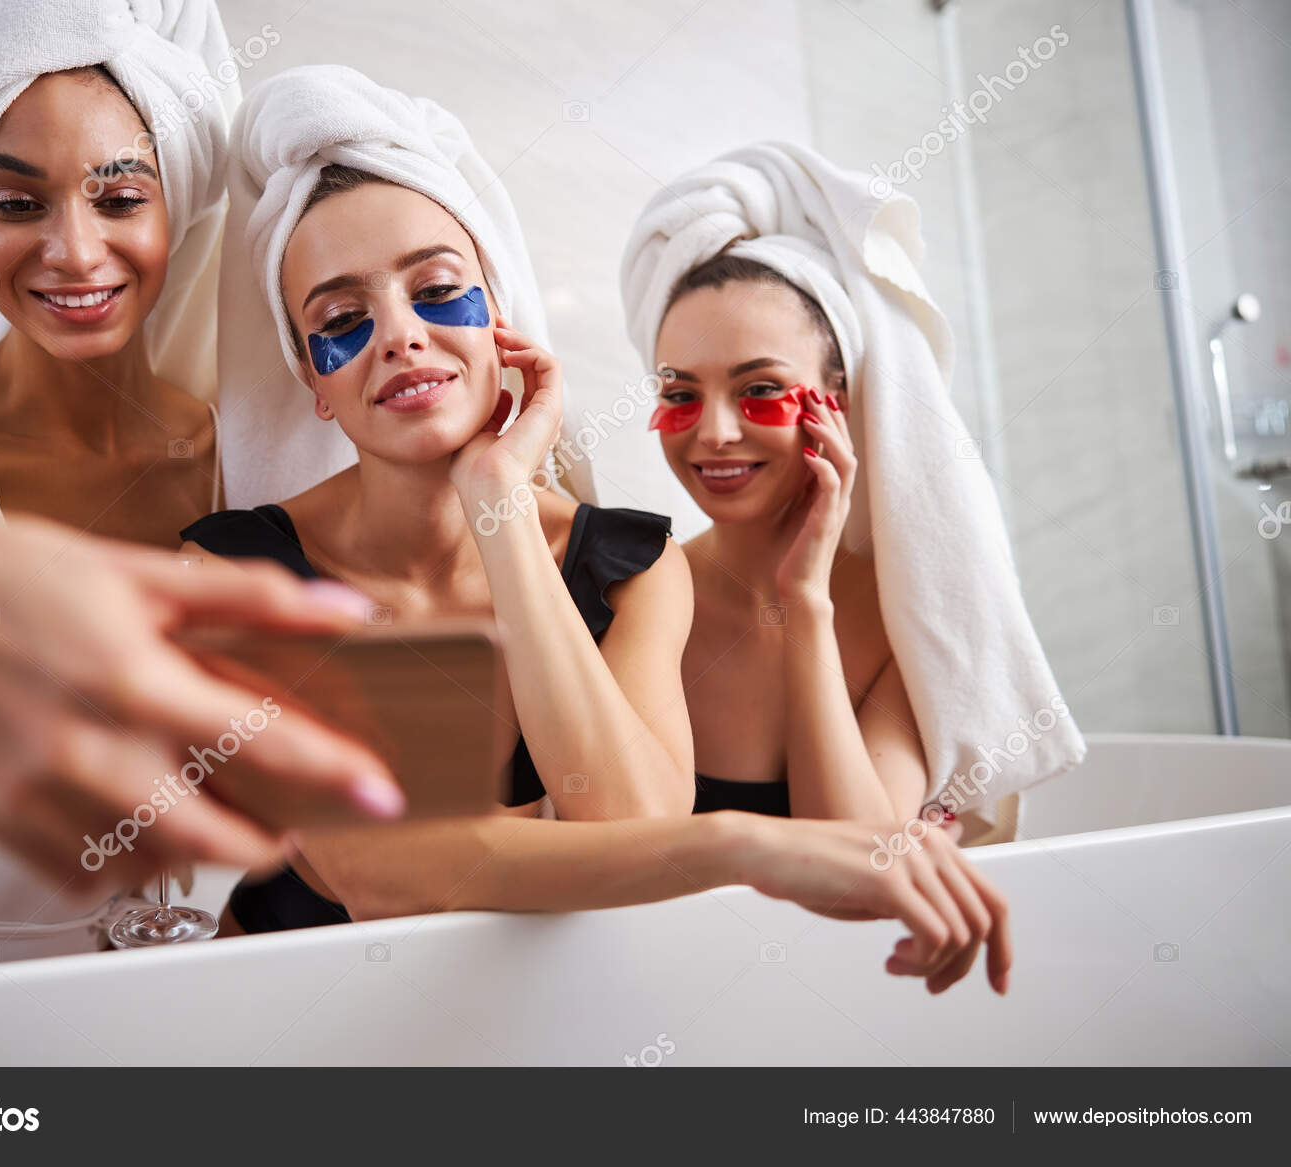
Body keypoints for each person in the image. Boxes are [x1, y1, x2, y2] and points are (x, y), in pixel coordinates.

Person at [185, 68, 1011, 996]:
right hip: (284, 1039)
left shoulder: (629, 564)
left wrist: (497, 499)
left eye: (438, 291)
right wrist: (744, 843)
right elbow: (379, 873)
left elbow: (625, 822)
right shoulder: (232, 568)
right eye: (341, 320)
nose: (400, 335)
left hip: (541, 1032)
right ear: (311, 382)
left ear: (499, 315)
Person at [0, 7, 402, 989]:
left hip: (132, 978)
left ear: (174, 206)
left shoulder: (245, 462)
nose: (76, 252)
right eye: (16, 204)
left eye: (120, 198)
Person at [620, 143, 1086, 825]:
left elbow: (860, 855)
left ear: (837, 395)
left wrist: (805, 603)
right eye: (681, 393)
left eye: (760, 390)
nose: (714, 431)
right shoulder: (637, 594)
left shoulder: (913, 613)